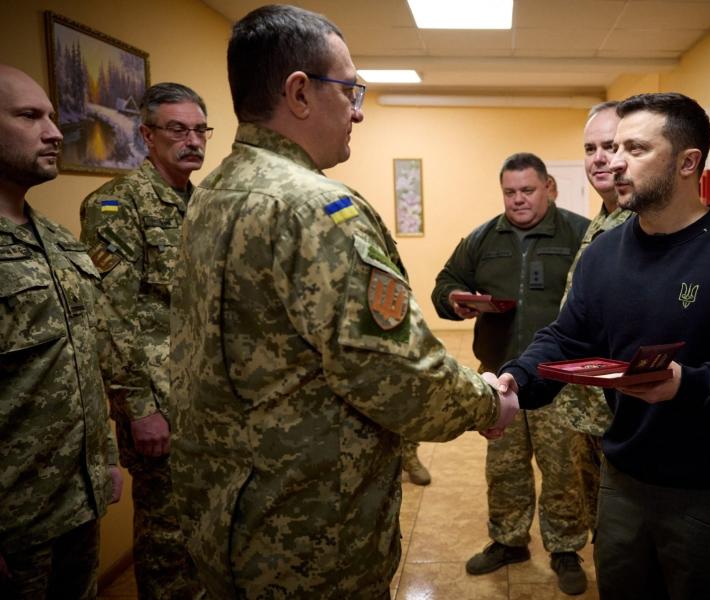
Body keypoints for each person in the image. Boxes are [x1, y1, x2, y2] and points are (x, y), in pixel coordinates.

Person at [167, 6, 517, 598]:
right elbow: (391, 370)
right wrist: (487, 403)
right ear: (299, 94)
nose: (358, 111)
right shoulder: (316, 210)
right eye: (351, 90)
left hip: (223, 513)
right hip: (308, 531)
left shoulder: (214, 193)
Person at [498, 93, 710, 599]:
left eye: (634, 148)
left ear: (687, 162)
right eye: (611, 147)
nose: (612, 161)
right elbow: (567, 337)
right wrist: (517, 380)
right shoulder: (604, 252)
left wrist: (690, 385)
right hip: (622, 484)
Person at [431, 153, 592, 596]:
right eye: (509, 192)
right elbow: (445, 282)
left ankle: (565, 548)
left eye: (527, 190)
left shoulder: (578, 233)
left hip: (557, 378)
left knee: (562, 469)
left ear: (549, 187)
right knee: (503, 467)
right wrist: (456, 301)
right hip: (499, 375)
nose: (518, 200)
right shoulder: (485, 237)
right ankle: (508, 540)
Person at [78, 82, 207, 599]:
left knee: (201, 525)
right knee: (168, 538)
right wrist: (138, 408)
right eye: (178, 129)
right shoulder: (115, 205)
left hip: (202, 397)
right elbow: (109, 316)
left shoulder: (200, 203)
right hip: (159, 401)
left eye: (200, 129)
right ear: (147, 135)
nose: (192, 140)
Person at [0, 64, 121, 599]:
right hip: (14, 521)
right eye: (29, 116)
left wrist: (106, 461)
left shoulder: (55, 237)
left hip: (76, 502)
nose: (54, 132)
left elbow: (82, 359)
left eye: (52, 115)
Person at [552, 101, 632, 530]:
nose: (599, 157)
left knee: (625, 530)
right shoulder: (601, 221)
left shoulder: (642, 225)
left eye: (610, 145)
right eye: (589, 148)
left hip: (619, 414)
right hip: (584, 409)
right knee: (602, 526)